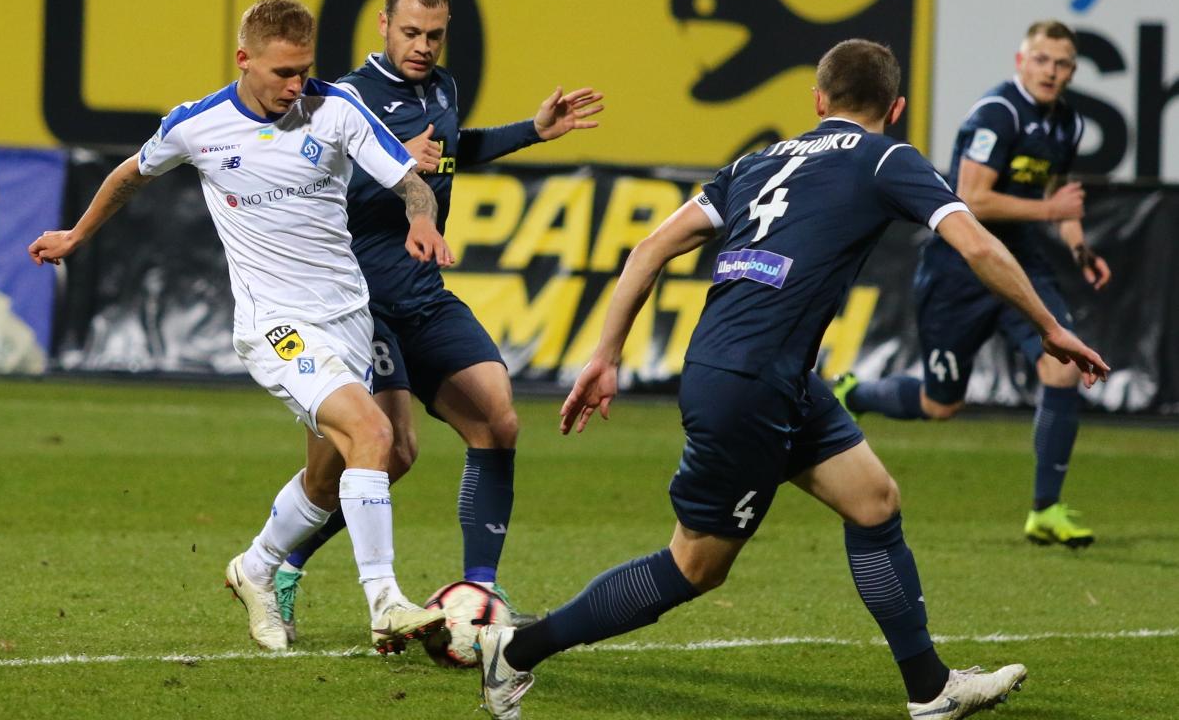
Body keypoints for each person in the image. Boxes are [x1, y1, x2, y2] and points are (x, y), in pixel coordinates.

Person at [471, 39, 1110, 720]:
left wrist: (605, 355)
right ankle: (515, 652)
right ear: (895, 108)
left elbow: (650, 247)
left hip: (761, 372)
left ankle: (931, 690)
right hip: (750, 383)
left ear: (818, 100)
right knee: (695, 566)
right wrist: (1050, 327)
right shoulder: (886, 157)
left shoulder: (757, 161)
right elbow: (976, 242)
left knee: (874, 501)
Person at [28, 0, 455, 654]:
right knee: (374, 433)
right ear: (244, 60)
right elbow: (130, 175)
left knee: (331, 477)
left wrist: (421, 218)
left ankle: (255, 568)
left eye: (304, 69)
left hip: (346, 316)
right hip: (275, 325)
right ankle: (385, 602)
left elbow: (411, 182)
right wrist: (77, 235)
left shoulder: (336, 108)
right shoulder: (198, 124)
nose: (296, 85)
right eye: (283, 72)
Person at [272, 0, 603, 640]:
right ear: (383, 24)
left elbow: (456, 149)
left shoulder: (443, 87)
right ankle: (281, 566)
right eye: (411, 32)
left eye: (435, 35)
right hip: (361, 304)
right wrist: (394, 162)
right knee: (388, 454)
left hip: (423, 294)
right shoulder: (344, 100)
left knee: (498, 420)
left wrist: (533, 130)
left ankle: (480, 596)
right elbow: (310, 184)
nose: (423, 47)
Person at [835, 20, 1109, 548]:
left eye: (1062, 63)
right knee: (941, 404)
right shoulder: (997, 114)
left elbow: (1060, 194)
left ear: (1073, 71)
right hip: (959, 268)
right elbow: (971, 197)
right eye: (1042, 60)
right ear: (1021, 61)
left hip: (1019, 264)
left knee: (1061, 367)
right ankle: (855, 393)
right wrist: (1049, 211)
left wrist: (1079, 248)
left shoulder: (1067, 123)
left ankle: (1045, 509)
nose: (1051, 71)